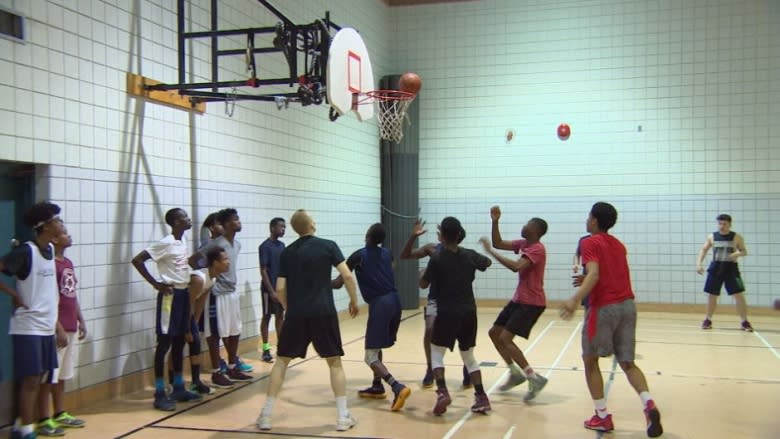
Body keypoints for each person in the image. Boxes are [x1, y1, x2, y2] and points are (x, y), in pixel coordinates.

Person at [560, 202, 663, 437]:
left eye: (589, 216)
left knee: (590, 360)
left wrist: (575, 299)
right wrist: (587, 277)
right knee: (628, 362)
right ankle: (648, 404)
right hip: (627, 306)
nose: (587, 220)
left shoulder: (589, 242)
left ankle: (602, 416)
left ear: (594, 220)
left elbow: (595, 274)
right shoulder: (618, 244)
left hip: (604, 308)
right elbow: (603, 272)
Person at [256, 209, 360, 432]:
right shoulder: (328, 246)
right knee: (334, 362)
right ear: (312, 224)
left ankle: (265, 415)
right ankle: (343, 417)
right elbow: (348, 275)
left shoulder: (288, 252)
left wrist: (288, 308)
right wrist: (354, 300)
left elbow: (280, 288)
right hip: (324, 313)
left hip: (296, 315)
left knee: (282, 361)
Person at [0, 202, 68, 439]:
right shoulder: (25, 251)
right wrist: (14, 294)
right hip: (27, 326)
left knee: (40, 377)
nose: (61, 223)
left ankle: (22, 423)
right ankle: (25, 431)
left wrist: (57, 327)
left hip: (47, 326)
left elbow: (49, 295)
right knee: (30, 378)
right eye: (57, 220)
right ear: (46, 225)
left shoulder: (49, 252)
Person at [333, 223, 411, 411]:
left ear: (367, 235)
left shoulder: (359, 255)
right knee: (376, 346)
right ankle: (377, 386)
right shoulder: (387, 253)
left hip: (380, 304)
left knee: (370, 356)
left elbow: (337, 283)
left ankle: (396, 387)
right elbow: (392, 265)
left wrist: (318, 282)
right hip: (395, 301)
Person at [419, 217, 492, 416]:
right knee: (469, 356)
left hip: (447, 312)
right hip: (469, 311)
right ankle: (481, 397)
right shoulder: (469, 255)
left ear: (441, 235)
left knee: (436, 353)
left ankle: (442, 392)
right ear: (460, 234)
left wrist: (424, 272)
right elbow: (487, 262)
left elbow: (423, 284)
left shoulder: (437, 258)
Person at [131, 208, 202, 411]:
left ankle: (178, 387)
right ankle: (159, 392)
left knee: (180, 341)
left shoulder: (182, 241)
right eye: (185, 217)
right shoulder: (165, 242)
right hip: (169, 298)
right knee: (164, 344)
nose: (189, 219)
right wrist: (156, 283)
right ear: (176, 222)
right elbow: (137, 260)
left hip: (183, 294)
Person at [480, 206, 549, 402]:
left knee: (506, 338)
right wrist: (495, 221)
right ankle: (514, 372)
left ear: (535, 230)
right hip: (518, 300)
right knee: (494, 333)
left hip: (532, 303)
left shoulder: (537, 249)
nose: (524, 226)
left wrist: (490, 253)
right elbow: (499, 242)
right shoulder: (524, 244)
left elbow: (516, 267)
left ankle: (533, 377)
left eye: (528, 224)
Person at [399, 218, 471, 389]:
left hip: (457, 300)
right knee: (430, 330)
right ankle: (430, 368)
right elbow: (405, 255)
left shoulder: (463, 254)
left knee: (462, 334)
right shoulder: (432, 249)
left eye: (440, 230)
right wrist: (412, 236)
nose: (438, 232)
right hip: (435, 299)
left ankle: (468, 367)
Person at [194, 208, 253, 388]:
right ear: (227, 224)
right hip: (216, 294)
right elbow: (192, 261)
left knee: (235, 331)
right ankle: (216, 373)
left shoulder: (237, 244)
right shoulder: (215, 244)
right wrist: (208, 277)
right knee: (215, 334)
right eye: (236, 219)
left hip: (232, 293)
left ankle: (232, 367)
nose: (239, 222)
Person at [40, 224, 87, 433]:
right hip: (56, 328)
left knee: (62, 375)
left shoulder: (68, 262)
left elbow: (71, 294)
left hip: (71, 325)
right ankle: (43, 417)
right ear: (56, 240)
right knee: (49, 375)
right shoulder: (50, 265)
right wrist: (57, 326)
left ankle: (60, 412)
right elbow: (50, 299)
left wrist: (81, 320)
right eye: (65, 233)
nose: (70, 236)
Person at [696, 214, 752, 331]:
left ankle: (744, 321)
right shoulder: (712, 236)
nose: (721, 226)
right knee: (712, 295)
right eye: (720, 223)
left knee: (738, 295)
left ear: (730, 224)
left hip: (731, 268)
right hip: (716, 268)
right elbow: (704, 249)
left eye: (724, 224)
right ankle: (708, 320)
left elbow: (744, 251)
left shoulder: (736, 237)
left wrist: (737, 254)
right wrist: (699, 264)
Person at [258, 217, 286, 363]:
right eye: (281, 226)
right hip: (268, 290)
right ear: (272, 228)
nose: (283, 229)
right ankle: (265, 348)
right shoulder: (265, 246)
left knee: (280, 317)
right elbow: (263, 270)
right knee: (267, 316)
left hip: (280, 289)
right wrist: (271, 291)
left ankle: (281, 347)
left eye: (284, 227)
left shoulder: (282, 246)